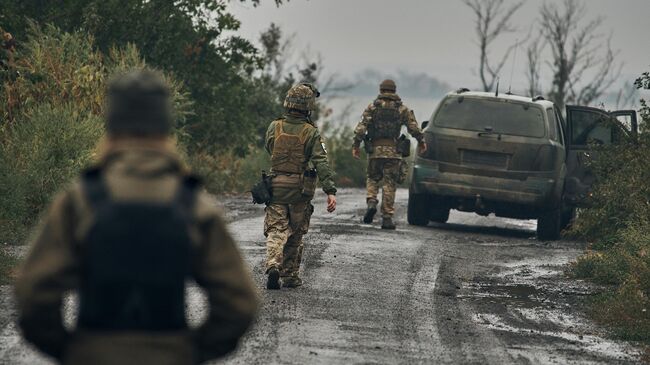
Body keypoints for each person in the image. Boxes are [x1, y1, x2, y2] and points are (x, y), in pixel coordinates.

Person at [14, 70, 259, 365]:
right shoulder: (194, 204)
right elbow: (239, 304)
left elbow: (33, 294)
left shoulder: (79, 201)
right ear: (166, 126)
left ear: (111, 124)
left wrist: (70, 350)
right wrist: (191, 351)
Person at [264, 83, 337, 290]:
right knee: (295, 234)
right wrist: (330, 191)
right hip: (300, 191)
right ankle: (289, 276)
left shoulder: (274, 126)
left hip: (276, 187)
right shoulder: (311, 132)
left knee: (276, 230)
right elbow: (321, 161)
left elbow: (269, 147)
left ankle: (272, 265)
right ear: (308, 106)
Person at [352, 79, 427, 230]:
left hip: (375, 151)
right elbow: (414, 128)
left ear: (381, 90)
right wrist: (421, 141)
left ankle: (372, 201)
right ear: (394, 90)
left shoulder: (372, 107)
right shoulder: (402, 109)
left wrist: (356, 145)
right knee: (389, 184)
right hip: (394, 152)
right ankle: (387, 219)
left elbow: (361, 128)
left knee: (372, 178)